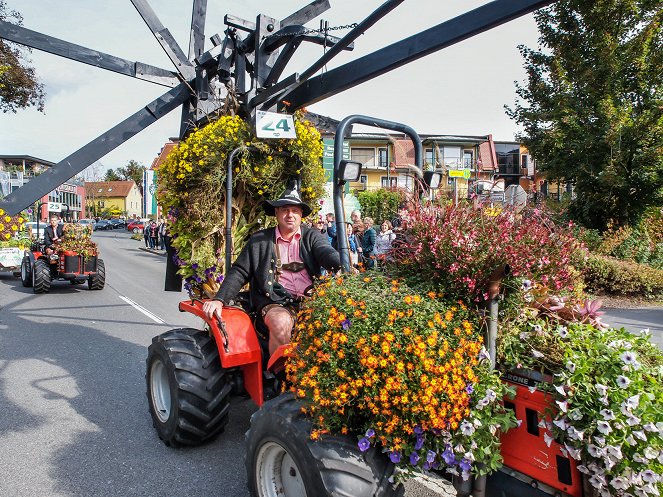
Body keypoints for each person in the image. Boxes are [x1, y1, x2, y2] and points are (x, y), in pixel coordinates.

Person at [202, 184, 341, 356]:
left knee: (342, 322)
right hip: (275, 301)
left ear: (301, 215)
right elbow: (239, 271)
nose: (290, 214)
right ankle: (282, 376)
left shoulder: (312, 236)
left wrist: (341, 265)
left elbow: (326, 253)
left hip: (310, 300)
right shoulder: (260, 240)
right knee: (281, 322)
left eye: (295, 210)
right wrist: (220, 299)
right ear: (276, 213)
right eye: (285, 209)